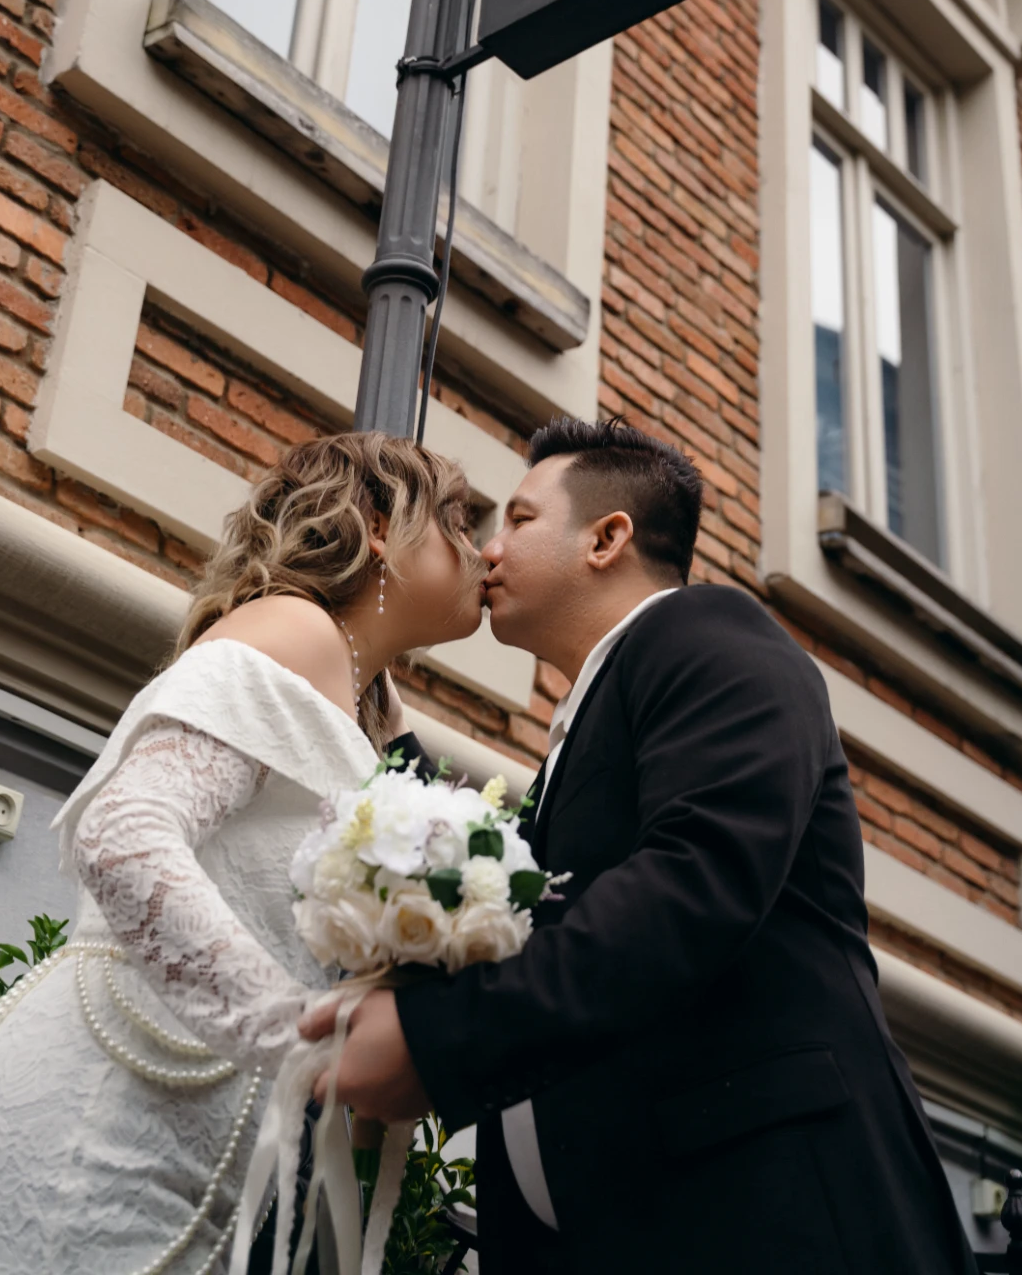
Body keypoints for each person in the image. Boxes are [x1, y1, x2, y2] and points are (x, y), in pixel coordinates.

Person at [303, 416, 978, 1275]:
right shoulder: (593, 716)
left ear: (606, 537)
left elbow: (695, 879)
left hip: (765, 1218)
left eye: (517, 518)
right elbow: (537, 898)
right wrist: (398, 760)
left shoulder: (708, 633)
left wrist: (442, 1043)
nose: (488, 549)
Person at [0, 432, 483, 1275]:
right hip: (101, 1126)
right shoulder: (296, 626)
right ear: (379, 525)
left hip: (191, 1140)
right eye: (460, 519)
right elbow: (124, 834)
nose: (483, 549)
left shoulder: (366, 703)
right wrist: (307, 1047)